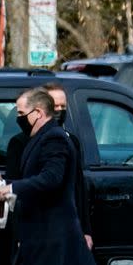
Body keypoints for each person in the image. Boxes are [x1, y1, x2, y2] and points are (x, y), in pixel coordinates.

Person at [0, 87, 112, 265]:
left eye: (21, 113)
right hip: (35, 241)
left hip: (50, 241)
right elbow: (36, 178)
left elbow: (51, 179)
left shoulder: (54, 139)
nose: (18, 117)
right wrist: (1, 182)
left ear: (38, 112)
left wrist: (11, 188)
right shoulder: (39, 138)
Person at [41, 81, 93, 250]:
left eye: (63, 106)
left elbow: (79, 187)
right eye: (55, 105)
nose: (59, 110)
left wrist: (85, 230)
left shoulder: (72, 141)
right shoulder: (28, 142)